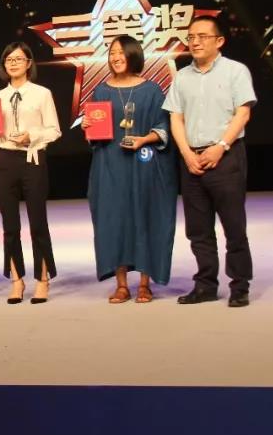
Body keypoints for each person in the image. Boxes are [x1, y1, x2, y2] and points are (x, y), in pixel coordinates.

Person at [163, 15, 257, 308]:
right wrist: (186, 154)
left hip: (226, 156)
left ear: (219, 41)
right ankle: (205, 285)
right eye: (191, 37)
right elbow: (175, 118)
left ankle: (239, 286)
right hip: (191, 158)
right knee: (198, 229)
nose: (195, 42)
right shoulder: (182, 76)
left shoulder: (235, 71)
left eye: (202, 36)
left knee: (233, 225)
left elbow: (243, 113)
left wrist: (221, 146)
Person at [83, 35, 177, 304]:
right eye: (112, 52)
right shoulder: (101, 91)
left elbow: (164, 126)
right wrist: (88, 128)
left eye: (121, 52)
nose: (116, 57)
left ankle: (145, 284)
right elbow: (94, 134)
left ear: (133, 54)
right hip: (110, 166)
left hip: (144, 165)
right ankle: (121, 285)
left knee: (145, 216)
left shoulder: (152, 90)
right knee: (114, 220)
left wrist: (143, 139)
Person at [0, 41, 60, 305]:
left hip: (32, 158)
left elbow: (54, 130)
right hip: (5, 159)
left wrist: (31, 136)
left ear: (28, 63)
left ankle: (42, 279)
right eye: (8, 60)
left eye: (18, 59)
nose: (13, 63)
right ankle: (16, 280)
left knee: (38, 222)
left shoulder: (41, 94)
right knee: (10, 224)